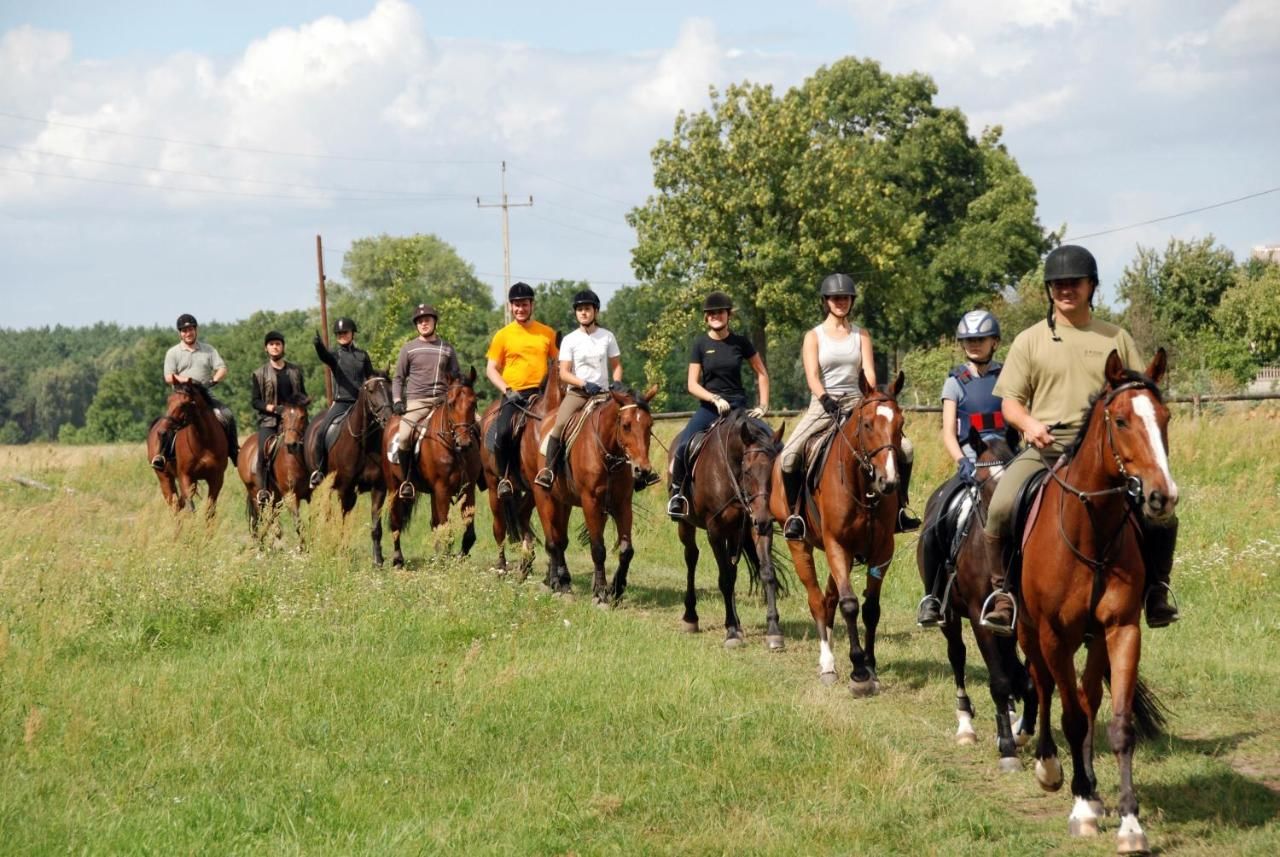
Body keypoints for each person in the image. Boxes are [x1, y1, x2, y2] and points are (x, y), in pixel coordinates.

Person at [978, 244, 1180, 634]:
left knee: (1162, 513)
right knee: (1001, 505)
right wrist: (1030, 425)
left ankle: (1156, 590)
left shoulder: (1115, 336)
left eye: (1075, 283)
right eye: (1058, 284)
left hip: (1108, 451)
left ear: (1092, 286)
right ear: (1049, 290)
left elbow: (1140, 394)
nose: (1066, 290)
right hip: (1047, 446)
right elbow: (1010, 404)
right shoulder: (1029, 340)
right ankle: (1002, 594)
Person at [916, 309, 1004, 626]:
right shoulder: (955, 383)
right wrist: (961, 461)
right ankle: (933, 596)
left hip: (1008, 463)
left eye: (980, 339)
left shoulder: (1008, 377)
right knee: (936, 520)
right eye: (968, 340)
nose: (974, 345)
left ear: (995, 341)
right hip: (971, 466)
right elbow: (949, 433)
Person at [666, 290, 770, 520]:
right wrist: (714, 398)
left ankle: (778, 498)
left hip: (738, 408)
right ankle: (677, 496)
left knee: (772, 440)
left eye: (720, 312)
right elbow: (692, 384)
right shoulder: (700, 345)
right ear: (706, 317)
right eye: (711, 313)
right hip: (709, 408)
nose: (716, 316)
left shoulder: (741, 342)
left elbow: (761, 373)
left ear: (728, 315)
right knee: (683, 447)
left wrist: (763, 405)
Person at [534, 289, 622, 488]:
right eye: (580, 309)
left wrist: (616, 383)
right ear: (576, 313)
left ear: (595, 311)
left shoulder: (607, 336)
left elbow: (616, 365)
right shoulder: (570, 340)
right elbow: (564, 373)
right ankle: (548, 470)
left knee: (627, 423)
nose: (584, 313)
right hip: (579, 393)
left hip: (604, 394)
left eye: (587, 309)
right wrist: (583, 384)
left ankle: (638, 471)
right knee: (559, 425)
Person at [485, 282, 559, 497]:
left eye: (524, 304)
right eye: (516, 305)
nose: (520, 309)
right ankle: (505, 478)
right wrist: (507, 389)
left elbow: (559, 364)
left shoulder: (547, 333)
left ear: (531, 305)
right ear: (510, 307)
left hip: (542, 394)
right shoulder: (503, 335)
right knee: (504, 432)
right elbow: (491, 369)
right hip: (514, 394)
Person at [388, 304, 462, 498]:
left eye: (427, 320)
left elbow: (457, 377)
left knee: (477, 425)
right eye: (420, 321)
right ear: (416, 325)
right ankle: (407, 480)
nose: (424, 324)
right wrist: (397, 400)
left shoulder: (446, 348)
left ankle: (478, 476)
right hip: (417, 403)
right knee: (404, 436)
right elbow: (398, 378)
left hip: (443, 402)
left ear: (434, 322)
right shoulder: (408, 349)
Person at [155, 313, 239, 469]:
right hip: (182, 396)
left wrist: (214, 379)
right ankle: (162, 454)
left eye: (190, 329)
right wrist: (186, 381)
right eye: (184, 330)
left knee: (226, 414)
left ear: (196, 330)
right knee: (169, 422)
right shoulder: (173, 352)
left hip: (204, 395)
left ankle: (234, 451)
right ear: (180, 333)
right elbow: (168, 377)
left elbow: (222, 368)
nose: (188, 333)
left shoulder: (208, 350)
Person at [309, 317, 374, 488]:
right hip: (342, 402)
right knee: (322, 432)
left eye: (345, 332)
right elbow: (324, 356)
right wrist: (318, 346)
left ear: (352, 333)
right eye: (338, 333)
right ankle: (319, 470)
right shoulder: (334, 355)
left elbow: (371, 377)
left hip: (362, 405)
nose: (342, 335)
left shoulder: (362, 355)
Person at [250, 330, 308, 500]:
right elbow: (255, 401)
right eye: (271, 344)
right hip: (271, 421)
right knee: (263, 452)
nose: (275, 347)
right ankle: (263, 490)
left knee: (315, 443)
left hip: (295, 420)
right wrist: (274, 409)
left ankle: (317, 478)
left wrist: (303, 404)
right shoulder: (259, 373)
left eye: (278, 344)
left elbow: (302, 394)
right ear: (266, 349)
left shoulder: (295, 371)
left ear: (283, 347)